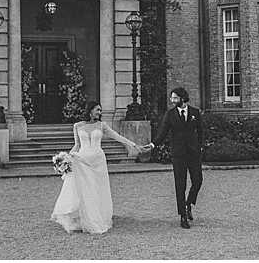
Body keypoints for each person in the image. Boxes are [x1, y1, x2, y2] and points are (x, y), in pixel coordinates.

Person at [50, 101, 142, 234]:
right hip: (82, 159)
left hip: (97, 161)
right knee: (83, 187)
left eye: (100, 110)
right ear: (90, 110)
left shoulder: (102, 125)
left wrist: (134, 145)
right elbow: (77, 145)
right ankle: (82, 215)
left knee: (96, 187)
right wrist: (66, 159)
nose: (100, 112)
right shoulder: (78, 126)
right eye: (97, 110)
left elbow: (118, 137)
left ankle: (97, 214)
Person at [151, 87, 204, 229]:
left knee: (198, 181)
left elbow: (200, 131)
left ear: (182, 98)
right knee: (180, 185)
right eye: (171, 98)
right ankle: (183, 216)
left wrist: (200, 146)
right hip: (178, 154)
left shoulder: (195, 112)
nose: (172, 100)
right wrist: (153, 144)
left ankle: (188, 204)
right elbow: (162, 132)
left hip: (193, 154)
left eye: (174, 98)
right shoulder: (170, 115)